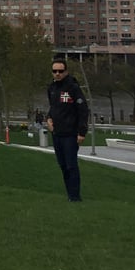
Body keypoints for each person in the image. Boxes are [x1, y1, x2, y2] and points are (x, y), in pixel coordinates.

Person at [46, 58, 89, 202]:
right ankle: (69, 194)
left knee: (71, 165)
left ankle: (75, 196)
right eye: (55, 71)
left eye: (60, 71)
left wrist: (82, 132)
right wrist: (49, 119)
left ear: (66, 71)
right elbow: (53, 108)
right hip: (57, 133)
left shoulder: (73, 88)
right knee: (63, 165)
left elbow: (83, 110)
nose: (57, 74)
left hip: (70, 134)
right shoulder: (51, 88)